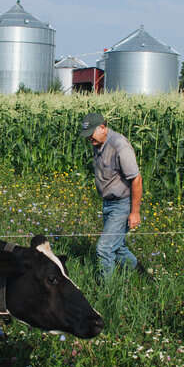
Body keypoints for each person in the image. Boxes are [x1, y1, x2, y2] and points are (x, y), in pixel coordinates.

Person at [78, 112, 145, 279]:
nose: (89, 139)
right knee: (118, 247)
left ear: (102, 127)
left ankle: (106, 291)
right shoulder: (97, 142)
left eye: (91, 134)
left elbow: (136, 179)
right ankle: (142, 276)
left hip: (122, 203)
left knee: (104, 248)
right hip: (108, 203)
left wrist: (135, 212)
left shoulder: (120, 146)